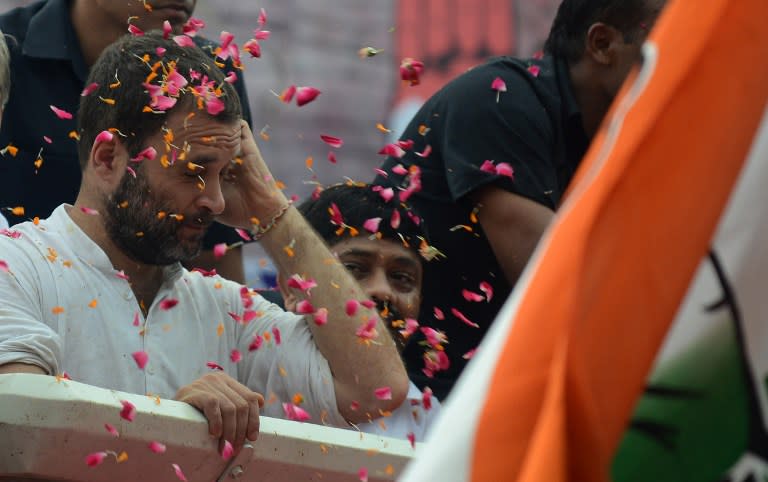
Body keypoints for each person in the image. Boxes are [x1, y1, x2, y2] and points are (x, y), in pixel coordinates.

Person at [0, 33, 408, 455]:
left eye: (228, 175)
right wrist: (172, 429)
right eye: (195, 170)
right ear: (108, 159)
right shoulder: (15, 266)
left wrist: (269, 208)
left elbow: (379, 390)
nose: (214, 201)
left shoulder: (226, 311)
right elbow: (27, 437)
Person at [373, 0, 667, 400]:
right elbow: (560, 282)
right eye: (672, 48)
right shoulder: (498, 100)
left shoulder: (617, 148)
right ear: (602, 44)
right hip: (406, 410)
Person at [0, 0, 251, 282]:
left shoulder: (209, 74)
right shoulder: (6, 57)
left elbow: (214, 263)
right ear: (104, 156)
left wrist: (273, 213)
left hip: (160, 315)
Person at [282, 182, 442, 441]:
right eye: (354, 269)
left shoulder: (430, 425)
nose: (382, 291)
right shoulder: (243, 384)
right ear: (293, 288)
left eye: (401, 277)